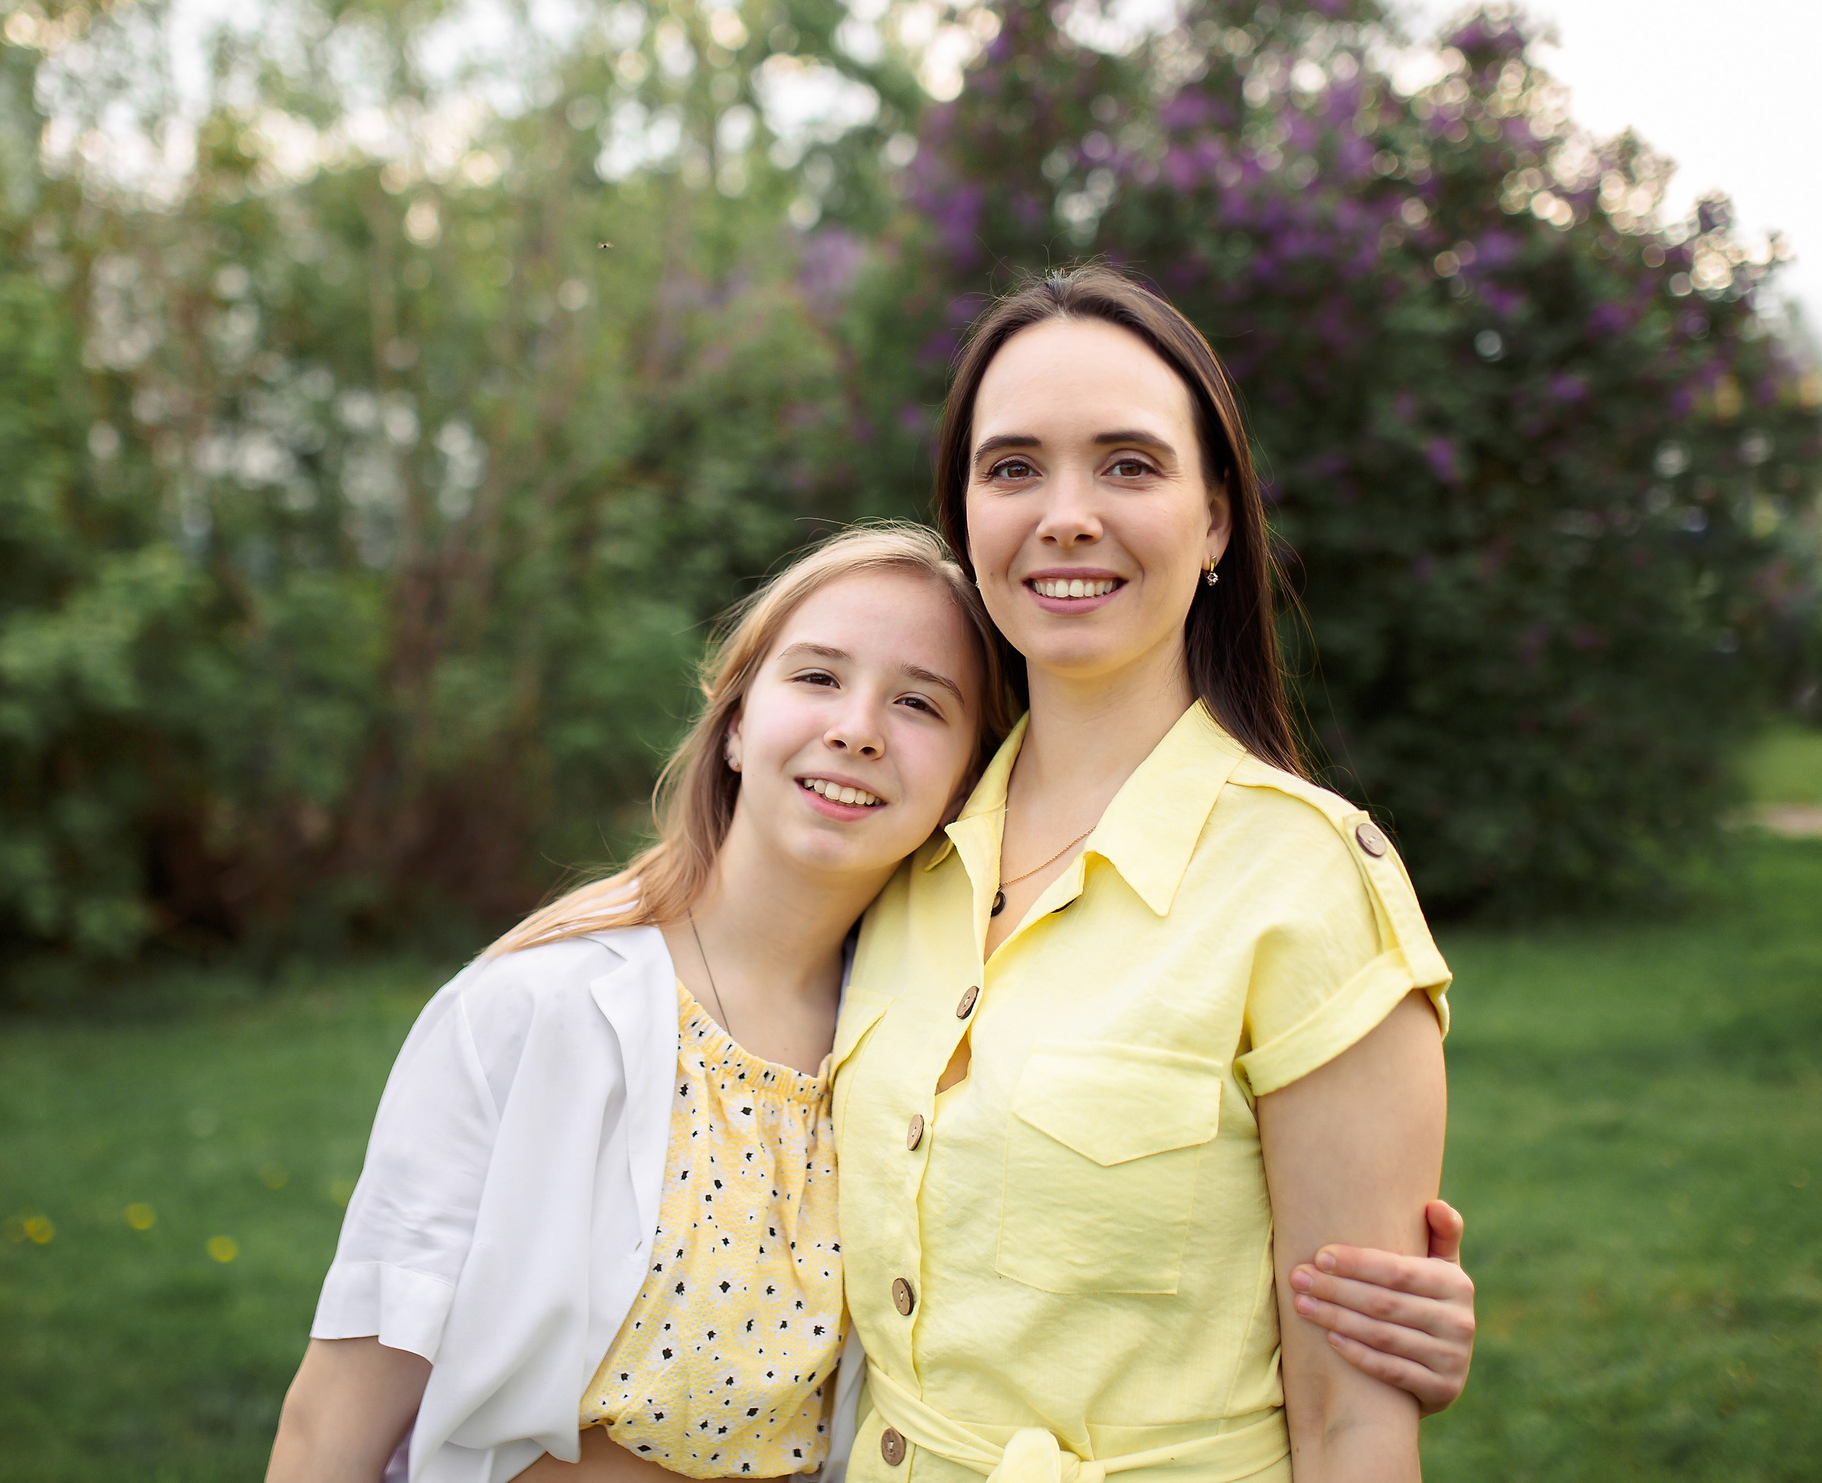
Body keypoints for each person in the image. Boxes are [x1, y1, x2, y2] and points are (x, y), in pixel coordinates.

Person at [268, 501, 1472, 1483]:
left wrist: (1372, 1317)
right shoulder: (531, 1014)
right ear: (736, 723)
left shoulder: (913, 1026)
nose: (855, 730)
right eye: (816, 678)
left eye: (919, 703)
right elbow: (333, 1426)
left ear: (966, 778)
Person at [833, 266, 1463, 1483]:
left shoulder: (1305, 883)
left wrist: (1406, 1348)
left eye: (1127, 464)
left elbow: (1352, 1425)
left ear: (1216, 519)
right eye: (1013, 468)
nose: (1065, 515)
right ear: (966, 514)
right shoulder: (898, 847)